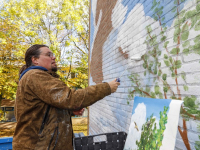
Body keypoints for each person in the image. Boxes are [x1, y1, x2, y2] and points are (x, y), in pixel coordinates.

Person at [13, 44, 120, 150]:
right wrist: (107, 88)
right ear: (35, 60)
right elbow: (71, 98)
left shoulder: (36, 77)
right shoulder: (35, 75)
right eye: (48, 54)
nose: (53, 57)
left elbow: (45, 109)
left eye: (53, 54)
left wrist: (70, 112)